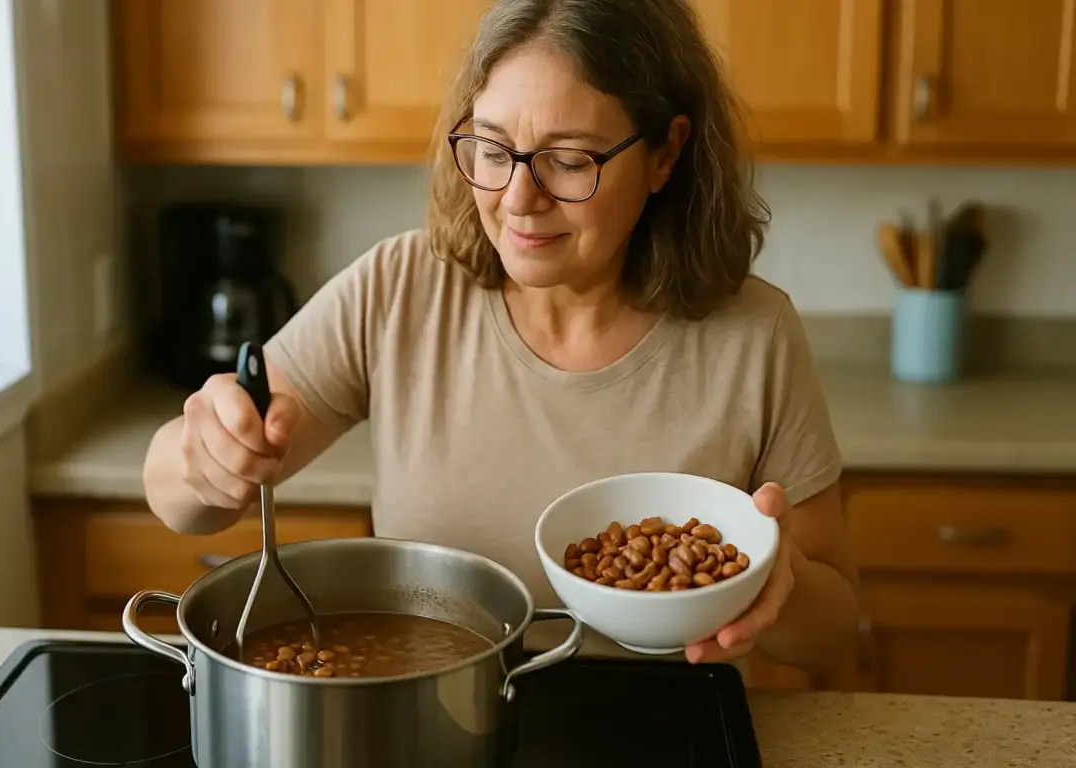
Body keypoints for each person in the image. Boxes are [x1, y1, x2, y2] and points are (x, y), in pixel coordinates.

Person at [143, 0, 860, 675]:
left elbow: (832, 629)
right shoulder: (399, 290)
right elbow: (179, 497)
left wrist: (778, 586)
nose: (518, 197)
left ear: (665, 154)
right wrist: (204, 457)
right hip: (434, 718)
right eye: (492, 149)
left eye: (570, 160)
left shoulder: (755, 336)